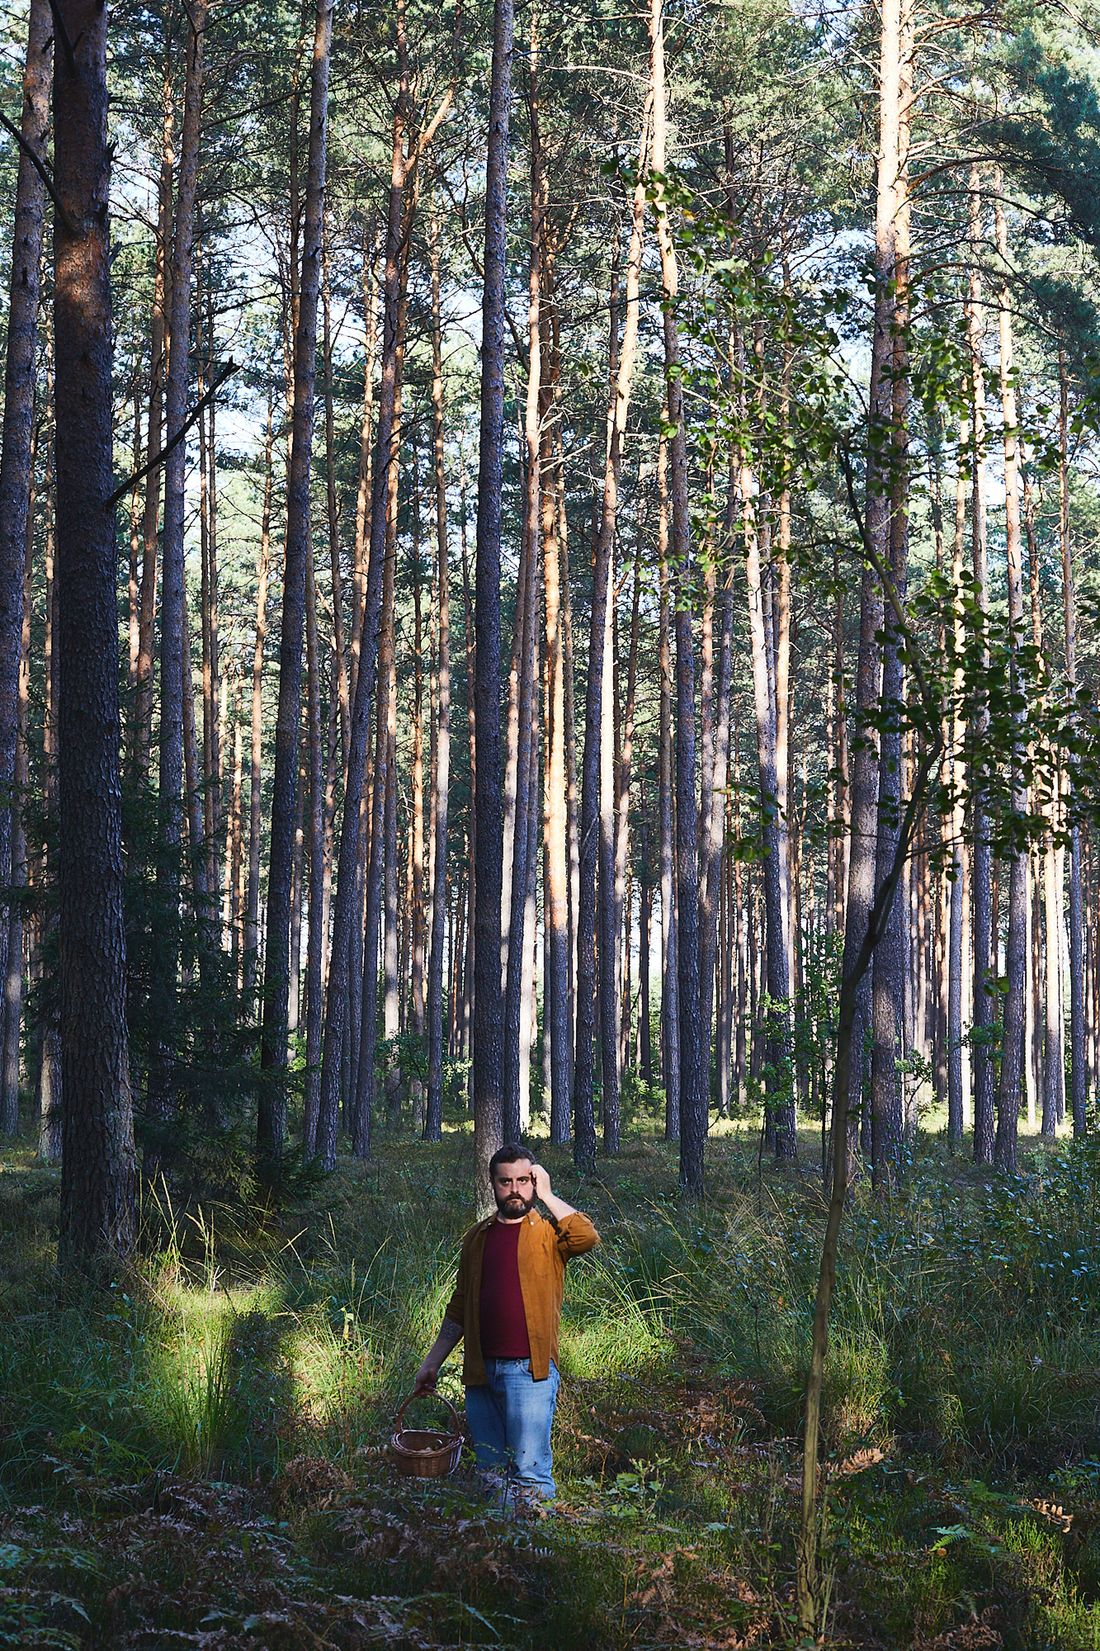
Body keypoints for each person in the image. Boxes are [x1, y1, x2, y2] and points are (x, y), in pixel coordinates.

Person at [414, 1144, 600, 1505]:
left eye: (523, 1181)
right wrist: (431, 1363)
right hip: (480, 1373)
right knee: (491, 1474)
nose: (514, 1189)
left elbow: (586, 1236)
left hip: (529, 1373)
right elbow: (459, 1308)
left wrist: (548, 1195)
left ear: (534, 1182)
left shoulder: (549, 1234)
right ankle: (500, 1540)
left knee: (530, 1474)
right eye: (505, 1182)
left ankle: (532, 1540)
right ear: (493, 1184)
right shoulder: (477, 1237)